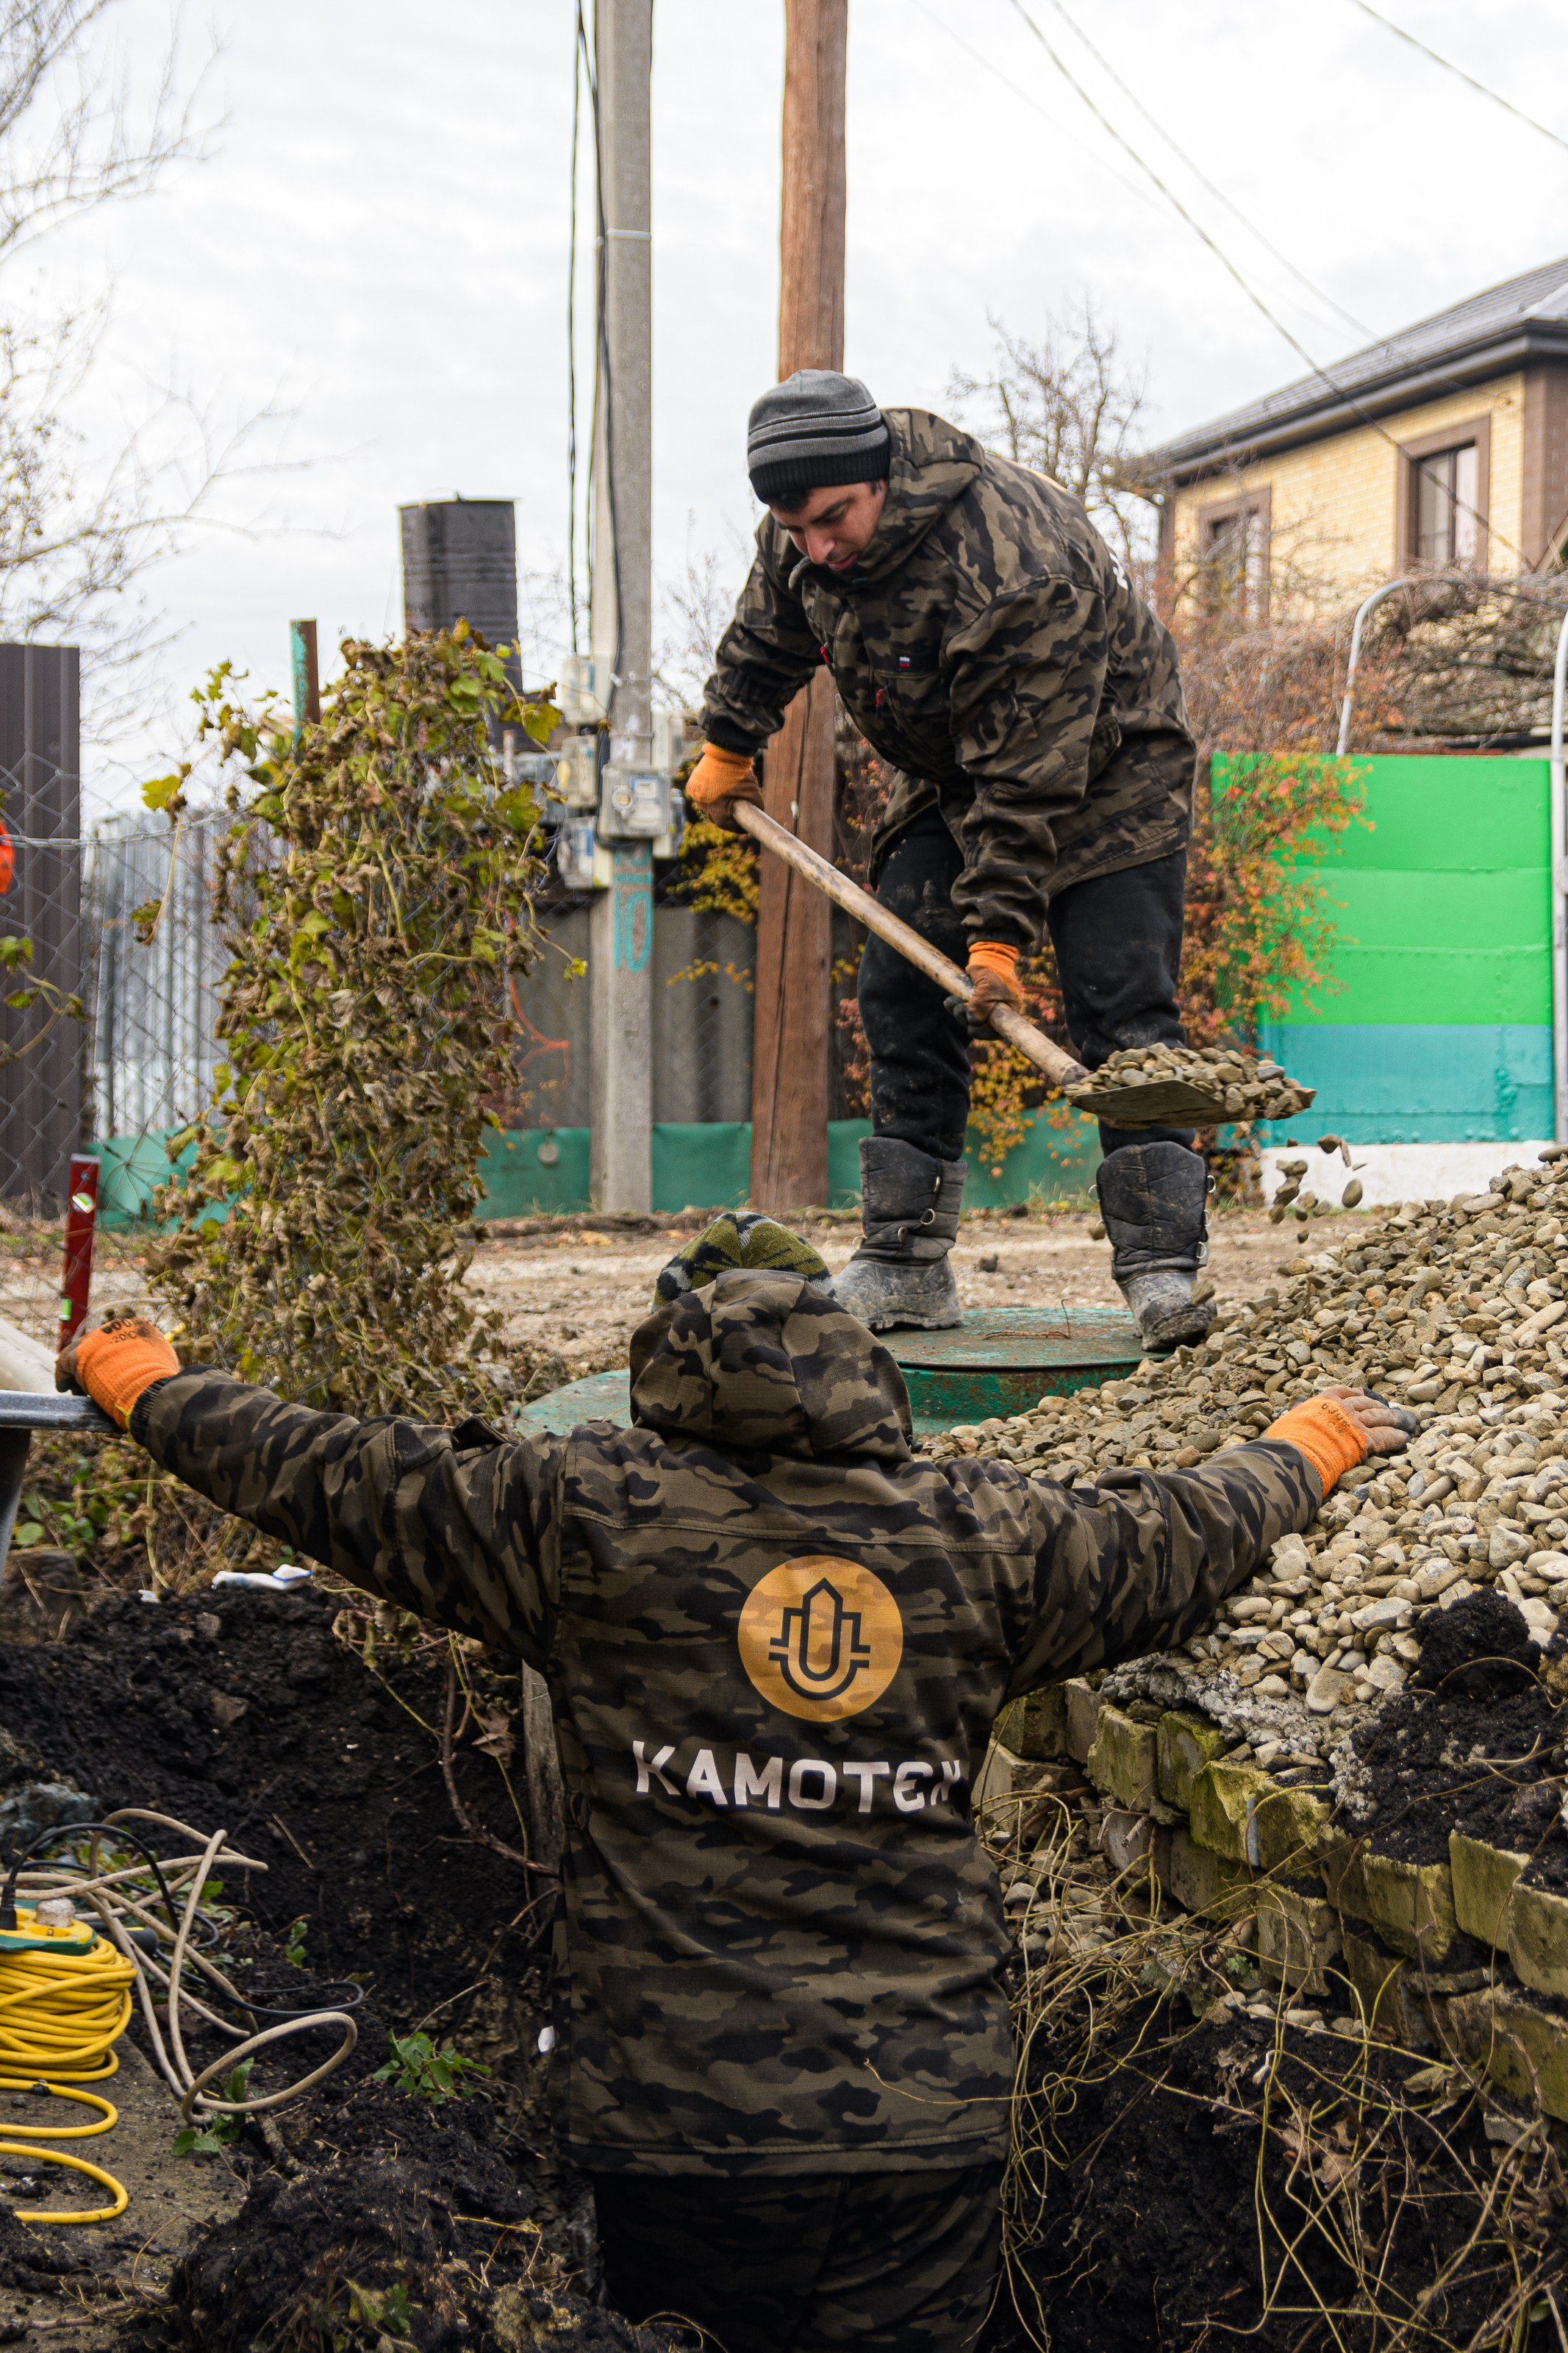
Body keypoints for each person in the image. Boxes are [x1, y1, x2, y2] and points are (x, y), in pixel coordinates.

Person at [57, 1225, 1411, 2353]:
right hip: (923, 2122)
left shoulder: (582, 1516)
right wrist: (1305, 1445)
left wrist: (153, 1390)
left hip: (676, 2128)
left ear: (663, 1381)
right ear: (868, 1381)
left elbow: (328, 1472)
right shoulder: (981, 1535)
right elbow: (1177, 1535)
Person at [685, 368, 1206, 1350]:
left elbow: (1032, 773)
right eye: (796, 528)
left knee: (1121, 1007)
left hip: (1106, 769)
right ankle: (904, 1264)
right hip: (952, 770)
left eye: (833, 519)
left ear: (882, 477)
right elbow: (766, 635)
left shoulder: (1016, 559)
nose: (817, 547)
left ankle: (1161, 1274)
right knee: (898, 987)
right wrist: (728, 742)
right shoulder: (804, 530)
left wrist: (997, 936)